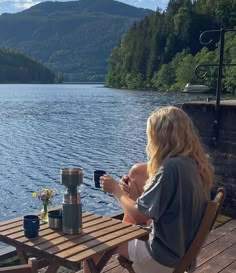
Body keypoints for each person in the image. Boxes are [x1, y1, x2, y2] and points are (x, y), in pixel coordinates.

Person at [98, 106, 213, 273]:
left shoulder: (170, 168)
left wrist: (116, 190)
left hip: (161, 257)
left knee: (97, 244)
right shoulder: (194, 165)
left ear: (160, 137)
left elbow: (138, 215)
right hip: (181, 255)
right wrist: (132, 195)